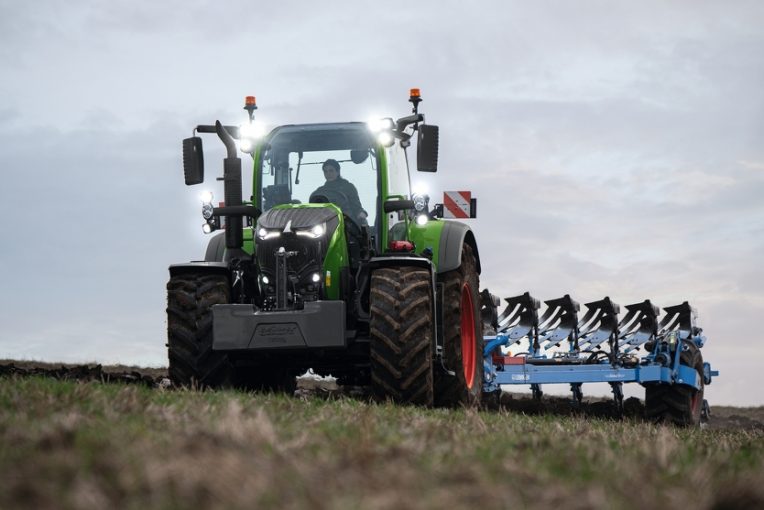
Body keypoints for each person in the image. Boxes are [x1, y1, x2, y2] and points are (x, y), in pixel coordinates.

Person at [312, 158, 368, 224]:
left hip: (347, 223)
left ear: (338, 171)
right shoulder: (319, 192)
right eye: (325, 171)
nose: (328, 174)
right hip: (325, 225)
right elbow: (314, 212)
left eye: (331, 171)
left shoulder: (348, 187)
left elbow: (356, 207)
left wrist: (361, 213)